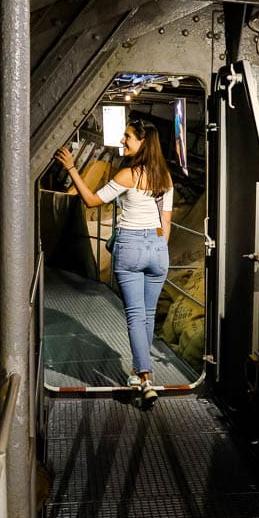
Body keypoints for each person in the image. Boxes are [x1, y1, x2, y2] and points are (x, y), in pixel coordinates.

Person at [54, 118, 173, 406]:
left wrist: (71, 169)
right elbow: (165, 224)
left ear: (142, 142)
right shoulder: (165, 178)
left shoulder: (128, 176)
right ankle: (138, 371)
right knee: (147, 314)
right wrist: (156, 248)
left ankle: (145, 379)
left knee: (134, 314)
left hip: (131, 246)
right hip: (158, 249)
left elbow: (92, 201)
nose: (123, 141)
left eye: (128, 137)